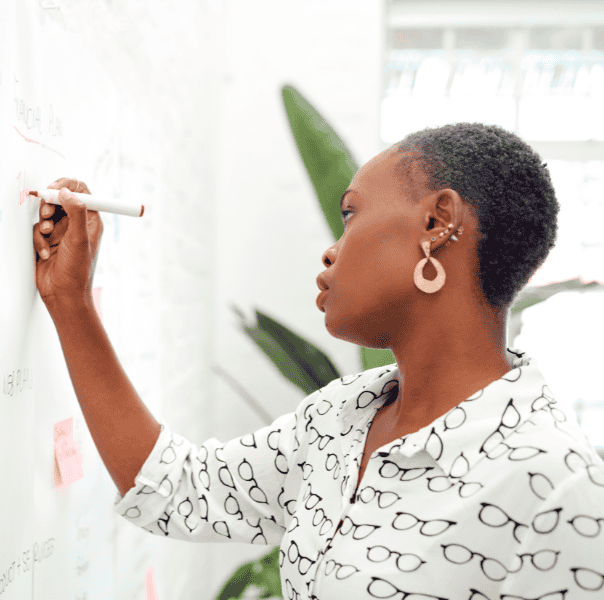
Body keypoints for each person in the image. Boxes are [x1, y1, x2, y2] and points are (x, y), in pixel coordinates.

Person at [31, 123, 604, 599]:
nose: (332, 247)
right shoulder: (341, 416)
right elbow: (177, 488)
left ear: (437, 224)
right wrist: (71, 301)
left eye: (350, 214)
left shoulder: (555, 482)